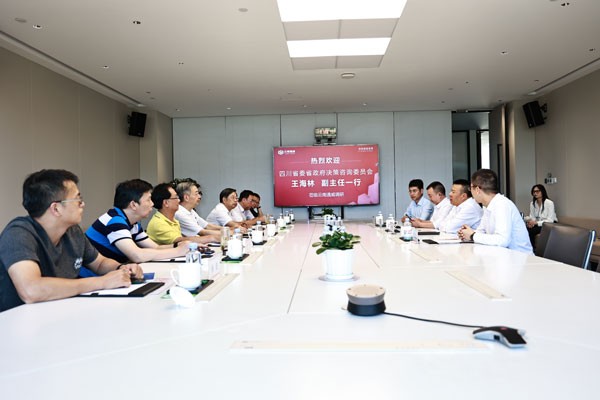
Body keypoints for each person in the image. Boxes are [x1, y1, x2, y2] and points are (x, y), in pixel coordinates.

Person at [0, 169, 143, 312]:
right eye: (77, 200)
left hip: (58, 312)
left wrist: (121, 268)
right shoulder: (18, 234)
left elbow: (100, 263)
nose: (83, 204)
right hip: (16, 319)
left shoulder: (72, 231)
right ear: (56, 208)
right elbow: (31, 290)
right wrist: (101, 282)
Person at [86, 179, 189, 264]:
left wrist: (179, 245)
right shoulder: (115, 221)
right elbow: (137, 256)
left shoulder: (133, 223)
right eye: (148, 200)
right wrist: (178, 251)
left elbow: (156, 247)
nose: (152, 204)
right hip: (91, 277)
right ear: (133, 205)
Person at [458, 169, 532, 253]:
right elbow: (481, 231)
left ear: (477, 190)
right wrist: (467, 233)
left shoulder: (502, 205)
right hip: (503, 254)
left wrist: (472, 235)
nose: (470, 191)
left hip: (520, 257)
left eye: (470, 188)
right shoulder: (488, 206)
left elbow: (503, 240)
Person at [146, 183, 213, 245]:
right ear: (166, 203)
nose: (179, 200)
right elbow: (179, 241)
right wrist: (211, 238)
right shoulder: (158, 223)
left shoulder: (173, 220)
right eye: (176, 198)